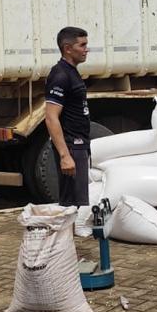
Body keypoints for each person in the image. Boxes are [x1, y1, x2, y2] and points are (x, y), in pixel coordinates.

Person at [43, 26, 91, 207]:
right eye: (82, 45)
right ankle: (66, 236)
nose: (86, 49)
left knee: (75, 203)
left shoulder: (72, 71)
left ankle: (70, 235)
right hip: (71, 145)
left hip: (79, 144)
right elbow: (51, 117)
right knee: (70, 204)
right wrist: (65, 155)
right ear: (68, 48)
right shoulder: (60, 75)